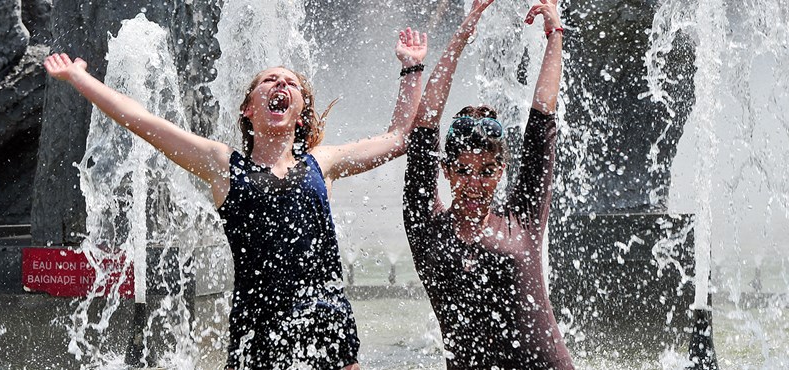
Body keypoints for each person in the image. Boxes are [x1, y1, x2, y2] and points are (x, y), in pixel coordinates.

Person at [44, 27, 428, 370]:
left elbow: (397, 139)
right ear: (248, 108)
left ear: (300, 114)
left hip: (327, 323)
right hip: (257, 330)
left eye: (290, 83)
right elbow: (143, 122)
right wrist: (80, 78)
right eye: (269, 81)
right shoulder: (222, 165)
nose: (280, 85)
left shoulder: (321, 164)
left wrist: (411, 69)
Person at [403, 0, 574, 368]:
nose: (475, 182)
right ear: (446, 171)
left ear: (501, 172)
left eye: (486, 170)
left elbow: (543, 118)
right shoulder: (426, 228)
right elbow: (425, 129)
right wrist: (462, 36)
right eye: (463, 170)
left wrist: (554, 33)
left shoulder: (522, 218)